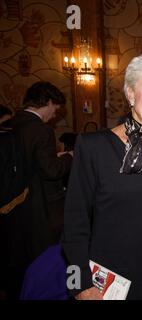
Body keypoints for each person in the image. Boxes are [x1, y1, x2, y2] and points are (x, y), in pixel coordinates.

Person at [63, 53, 142, 300]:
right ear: (130, 93)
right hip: (111, 282)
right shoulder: (94, 147)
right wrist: (79, 286)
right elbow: (74, 224)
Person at [2, 81, 72, 299]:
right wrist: (69, 157)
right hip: (41, 206)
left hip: (15, 202)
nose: (54, 114)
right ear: (48, 102)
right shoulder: (40, 129)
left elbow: (28, 162)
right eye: (55, 108)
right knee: (44, 258)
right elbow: (50, 171)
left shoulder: (12, 124)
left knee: (19, 256)